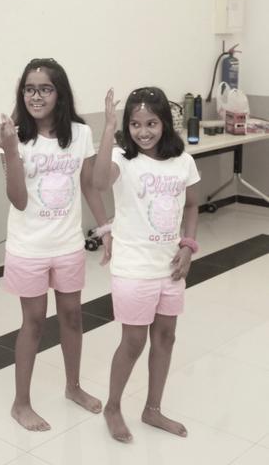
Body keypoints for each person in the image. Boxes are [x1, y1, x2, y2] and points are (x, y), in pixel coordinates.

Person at [0, 58, 111, 431]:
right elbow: (18, 200)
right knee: (32, 322)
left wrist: (105, 228)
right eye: (29, 89)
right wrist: (10, 151)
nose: (36, 96)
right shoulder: (14, 136)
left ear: (59, 93)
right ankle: (20, 403)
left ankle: (73, 387)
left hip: (67, 244)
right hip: (28, 247)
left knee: (73, 316)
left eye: (45, 89)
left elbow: (89, 184)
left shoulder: (79, 133)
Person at [94, 87, 200, 442]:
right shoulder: (122, 160)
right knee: (134, 341)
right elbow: (97, 182)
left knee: (166, 337)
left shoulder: (182, 161)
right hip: (134, 268)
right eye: (135, 124)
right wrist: (109, 128)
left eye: (151, 123)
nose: (143, 131)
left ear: (164, 123)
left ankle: (152, 409)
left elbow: (192, 205)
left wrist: (188, 246)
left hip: (170, 267)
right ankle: (112, 406)